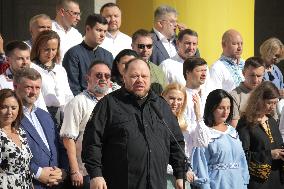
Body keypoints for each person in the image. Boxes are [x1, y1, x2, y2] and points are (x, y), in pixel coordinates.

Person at [82, 58, 185, 189]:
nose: (140, 80)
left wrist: (180, 173)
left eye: (144, 76)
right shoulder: (109, 104)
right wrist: (96, 174)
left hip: (156, 183)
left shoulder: (161, 105)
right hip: (120, 182)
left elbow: (176, 142)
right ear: (124, 77)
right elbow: (92, 141)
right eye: (134, 76)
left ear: (150, 78)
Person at [60, 61, 115, 189]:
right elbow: (68, 139)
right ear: (88, 78)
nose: (103, 79)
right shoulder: (77, 102)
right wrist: (75, 170)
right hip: (86, 172)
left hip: (110, 169)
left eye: (107, 76)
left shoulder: (113, 102)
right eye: (98, 75)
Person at [14, 68, 68, 189]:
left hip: (56, 183)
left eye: (37, 88)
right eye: (29, 87)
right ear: (16, 86)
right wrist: (38, 173)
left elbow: (60, 146)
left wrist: (63, 171)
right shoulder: (10, 116)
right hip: (30, 184)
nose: (34, 92)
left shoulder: (45, 115)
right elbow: (10, 153)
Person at [191, 89, 249, 189]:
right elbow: (200, 164)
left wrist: (244, 182)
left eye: (228, 108)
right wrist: (205, 186)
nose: (225, 112)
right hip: (217, 184)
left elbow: (241, 160)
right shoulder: (205, 133)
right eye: (221, 108)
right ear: (212, 108)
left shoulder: (232, 131)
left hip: (238, 184)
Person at [162, 83, 210, 189]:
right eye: (171, 98)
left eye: (179, 99)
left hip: (183, 177)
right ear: (163, 97)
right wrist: (182, 170)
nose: (175, 103)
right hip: (164, 177)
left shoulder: (186, 122)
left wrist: (199, 115)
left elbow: (204, 142)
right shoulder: (157, 120)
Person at [237, 81, 284, 189]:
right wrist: (269, 155)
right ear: (258, 100)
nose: (273, 107)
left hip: (277, 180)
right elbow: (242, 155)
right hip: (258, 182)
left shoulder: (271, 121)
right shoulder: (246, 123)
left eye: (275, 103)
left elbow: (277, 146)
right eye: (269, 103)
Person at [30, 30, 73, 127]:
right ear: (38, 48)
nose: (50, 53)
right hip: (40, 115)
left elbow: (67, 95)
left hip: (62, 116)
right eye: (46, 49)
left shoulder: (60, 69)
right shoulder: (32, 68)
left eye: (54, 49)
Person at [63, 13, 113, 96]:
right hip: (82, 103)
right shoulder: (73, 53)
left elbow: (111, 84)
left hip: (104, 102)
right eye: (99, 30)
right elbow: (72, 87)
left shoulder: (108, 55)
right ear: (88, 29)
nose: (102, 35)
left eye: (105, 31)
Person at [0, 40, 47, 111]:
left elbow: (42, 109)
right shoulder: (1, 82)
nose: (25, 62)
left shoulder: (35, 80)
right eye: (20, 58)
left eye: (27, 58)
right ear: (7, 60)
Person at [0, 89, 33, 188]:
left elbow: (26, 167)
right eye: (4, 107)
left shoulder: (21, 132)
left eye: (13, 108)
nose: (9, 112)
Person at [230, 57, 265, 127]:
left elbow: (274, 121)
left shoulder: (267, 93)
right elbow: (234, 127)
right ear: (243, 73)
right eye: (252, 75)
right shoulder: (234, 95)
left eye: (259, 76)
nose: (255, 80)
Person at [132, 29, 167, 94]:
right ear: (132, 46)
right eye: (141, 46)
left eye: (149, 46)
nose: (145, 50)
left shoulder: (158, 71)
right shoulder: (126, 68)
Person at [183, 57, 211, 127]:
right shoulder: (181, 96)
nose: (204, 74)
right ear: (188, 72)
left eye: (205, 70)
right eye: (200, 71)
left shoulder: (209, 93)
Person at [259, 38, 284, 114]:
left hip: (277, 109)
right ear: (268, 51)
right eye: (276, 55)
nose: (277, 59)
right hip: (263, 109)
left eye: (279, 56)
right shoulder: (257, 67)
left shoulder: (276, 69)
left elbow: (282, 86)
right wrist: (276, 93)